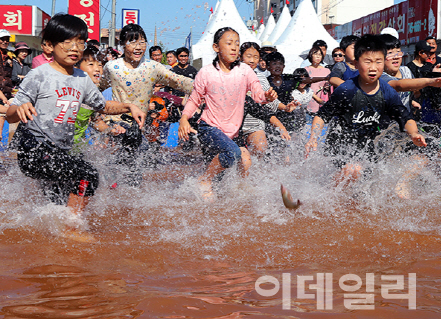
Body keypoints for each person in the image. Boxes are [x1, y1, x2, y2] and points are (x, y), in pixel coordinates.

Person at [6, 14, 144, 226]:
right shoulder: (39, 75)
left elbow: (103, 106)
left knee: (57, 204)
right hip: (33, 148)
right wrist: (20, 108)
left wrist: (128, 106)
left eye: (80, 42)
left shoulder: (81, 78)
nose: (74, 48)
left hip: (58, 152)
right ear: (50, 45)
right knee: (88, 174)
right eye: (67, 41)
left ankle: (48, 232)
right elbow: (10, 113)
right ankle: (73, 225)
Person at [305, 34, 428, 190]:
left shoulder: (387, 92)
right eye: (368, 62)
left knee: (370, 184)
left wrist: (414, 134)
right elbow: (322, 116)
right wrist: (313, 137)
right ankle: (327, 196)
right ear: (356, 64)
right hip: (340, 143)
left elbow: (405, 117)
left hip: (367, 144)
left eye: (378, 62)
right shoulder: (347, 90)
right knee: (352, 171)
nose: (373, 67)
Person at [178, 27, 277, 199]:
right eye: (229, 43)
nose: (234, 48)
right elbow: (194, 100)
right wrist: (184, 119)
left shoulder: (245, 71)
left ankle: (236, 193)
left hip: (231, 133)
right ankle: (204, 180)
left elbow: (257, 94)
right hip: (208, 128)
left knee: (242, 163)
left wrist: (267, 97)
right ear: (216, 47)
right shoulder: (206, 72)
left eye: (237, 44)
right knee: (232, 154)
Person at [100, 23, 194, 186]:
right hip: (116, 122)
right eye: (132, 42)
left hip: (142, 123)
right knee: (125, 148)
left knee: (135, 165)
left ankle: (129, 191)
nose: (138, 47)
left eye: (142, 42)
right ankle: (115, 181)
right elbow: (96, 88)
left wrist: (207, 86)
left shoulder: (152, 67)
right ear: (122, 44)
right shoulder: (112, 67)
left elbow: (178, 81)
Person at [238, 41, 290, 156]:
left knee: (261, 147)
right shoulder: (232, 75)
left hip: (255, 121)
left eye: (256, 57)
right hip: (234, 122)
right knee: (236, 155)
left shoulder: (260, 77)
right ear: (240, 57)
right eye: (248, 56)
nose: (252, 60)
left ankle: (254, 171)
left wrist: (286, 107)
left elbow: (271, 102)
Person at [305, 46, 330, 118]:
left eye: (320, 54)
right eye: (315, 54)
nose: (318, 56)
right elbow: (304, 87)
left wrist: (327, 87)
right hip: (309, 103)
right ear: (311, 55)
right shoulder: (306, 70)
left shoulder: (327, 70)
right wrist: (316, 98)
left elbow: (330, 86)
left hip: (323, 103)